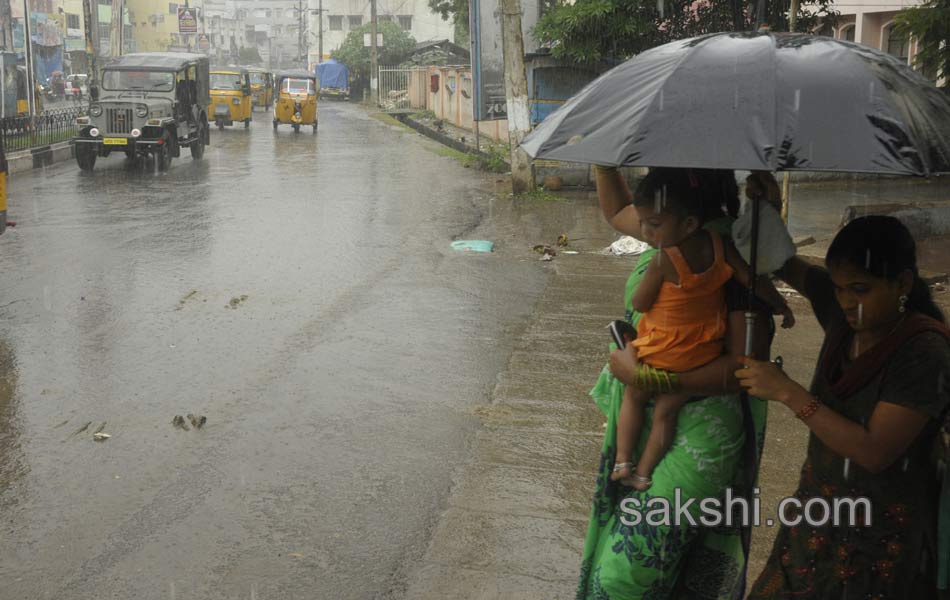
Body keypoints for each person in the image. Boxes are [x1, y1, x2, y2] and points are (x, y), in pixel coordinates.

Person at [577, 166, 784, 600]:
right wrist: (602, 158)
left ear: (689, 213)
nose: (645, 228)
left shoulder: (726, 247)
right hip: (650, 416)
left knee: (625, 573)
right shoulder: (663, 230)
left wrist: (648, 377)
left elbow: (746, 365)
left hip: (701, 438)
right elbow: (617, 211)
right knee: (652, 570)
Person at [738, 215, 950, 599]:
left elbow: (874, 451)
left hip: (882, 540)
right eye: (839, 290)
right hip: (814, 522)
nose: (848, 302)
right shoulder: (842, 316)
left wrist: (789, 392)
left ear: (902, 283)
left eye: (861, 289)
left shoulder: (924, 351)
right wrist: (764, 205)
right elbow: (786, 264)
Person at [610, 169, 794, 492]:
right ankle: (643, 473)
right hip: (699, 354)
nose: (645, 234)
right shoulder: (721, 244)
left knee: (634, 397)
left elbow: (640, 304)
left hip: (661, 355)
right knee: (666, 412)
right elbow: (749, 278)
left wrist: (647, 375)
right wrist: (780, 303)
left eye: (652, 226)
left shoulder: (664, 258)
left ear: (689, 222)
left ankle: (624, 460)